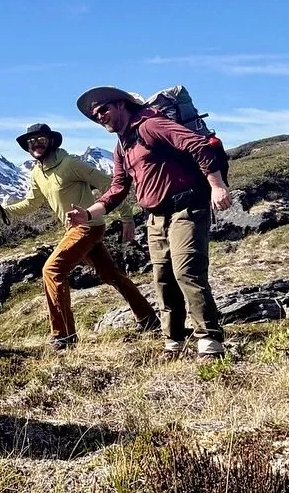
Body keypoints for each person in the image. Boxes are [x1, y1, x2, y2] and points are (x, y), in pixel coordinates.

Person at [67, 87, 232, 361]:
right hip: (154, 218)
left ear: (121, 104)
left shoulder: (151, 125)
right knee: (163, 278)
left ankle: (209, 341)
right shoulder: (122, 145)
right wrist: (88, 213)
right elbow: (118, 188)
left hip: (186, 207)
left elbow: (197, 145)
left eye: (103, 110)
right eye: (96, 116)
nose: (100, 117)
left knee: (187, 272)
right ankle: (174, 341)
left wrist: (217, 186)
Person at [0, 123, 159, 351]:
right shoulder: (38, 172)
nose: (36, 144)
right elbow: (33, 202)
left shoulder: (70, 164)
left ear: (51, 141)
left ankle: (63, 336)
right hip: (76, 230)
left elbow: (109, 185)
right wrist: (3, 210)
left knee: (52, 270)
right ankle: (148, 319)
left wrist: (127, 218)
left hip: (88, 227)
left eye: (41, 139)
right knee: (112, 275)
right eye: (31, 141)